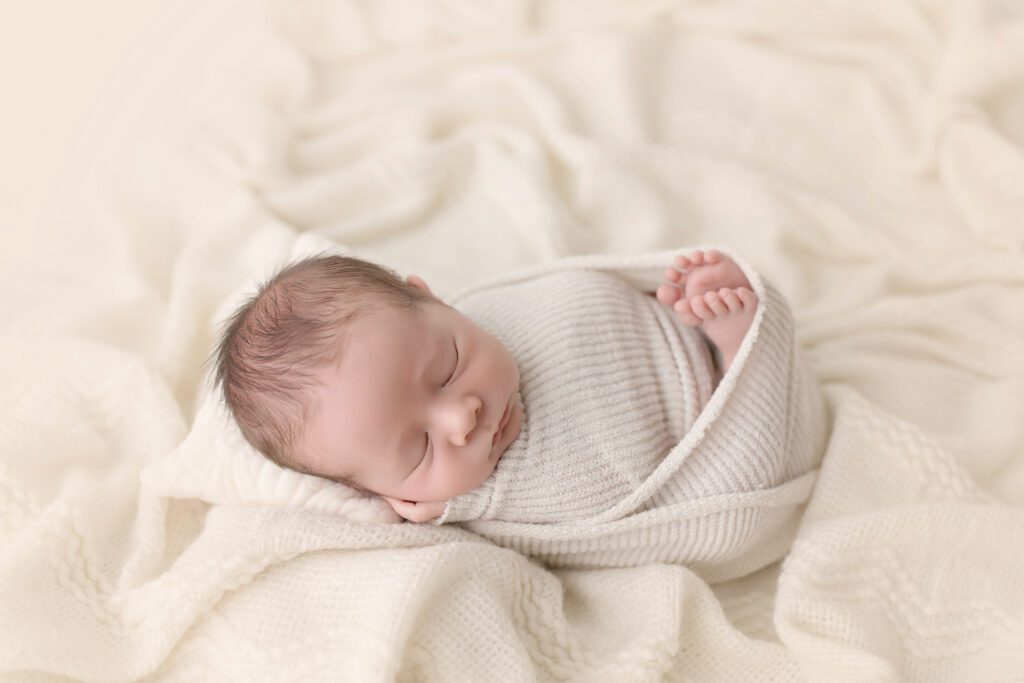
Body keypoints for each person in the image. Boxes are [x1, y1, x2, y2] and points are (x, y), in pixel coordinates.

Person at [213, 249, 758, 523]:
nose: (461, 418)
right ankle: (742, 357)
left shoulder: (486, 310)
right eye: (418, 448)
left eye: (448, 367)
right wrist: (437, 508)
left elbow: (569, 292)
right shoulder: (467, 502)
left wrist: (651, 294)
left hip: (657, 327)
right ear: (391, 495)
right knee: (747, 462)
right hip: (714, 444)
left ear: (432, 300)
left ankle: (703, 322)